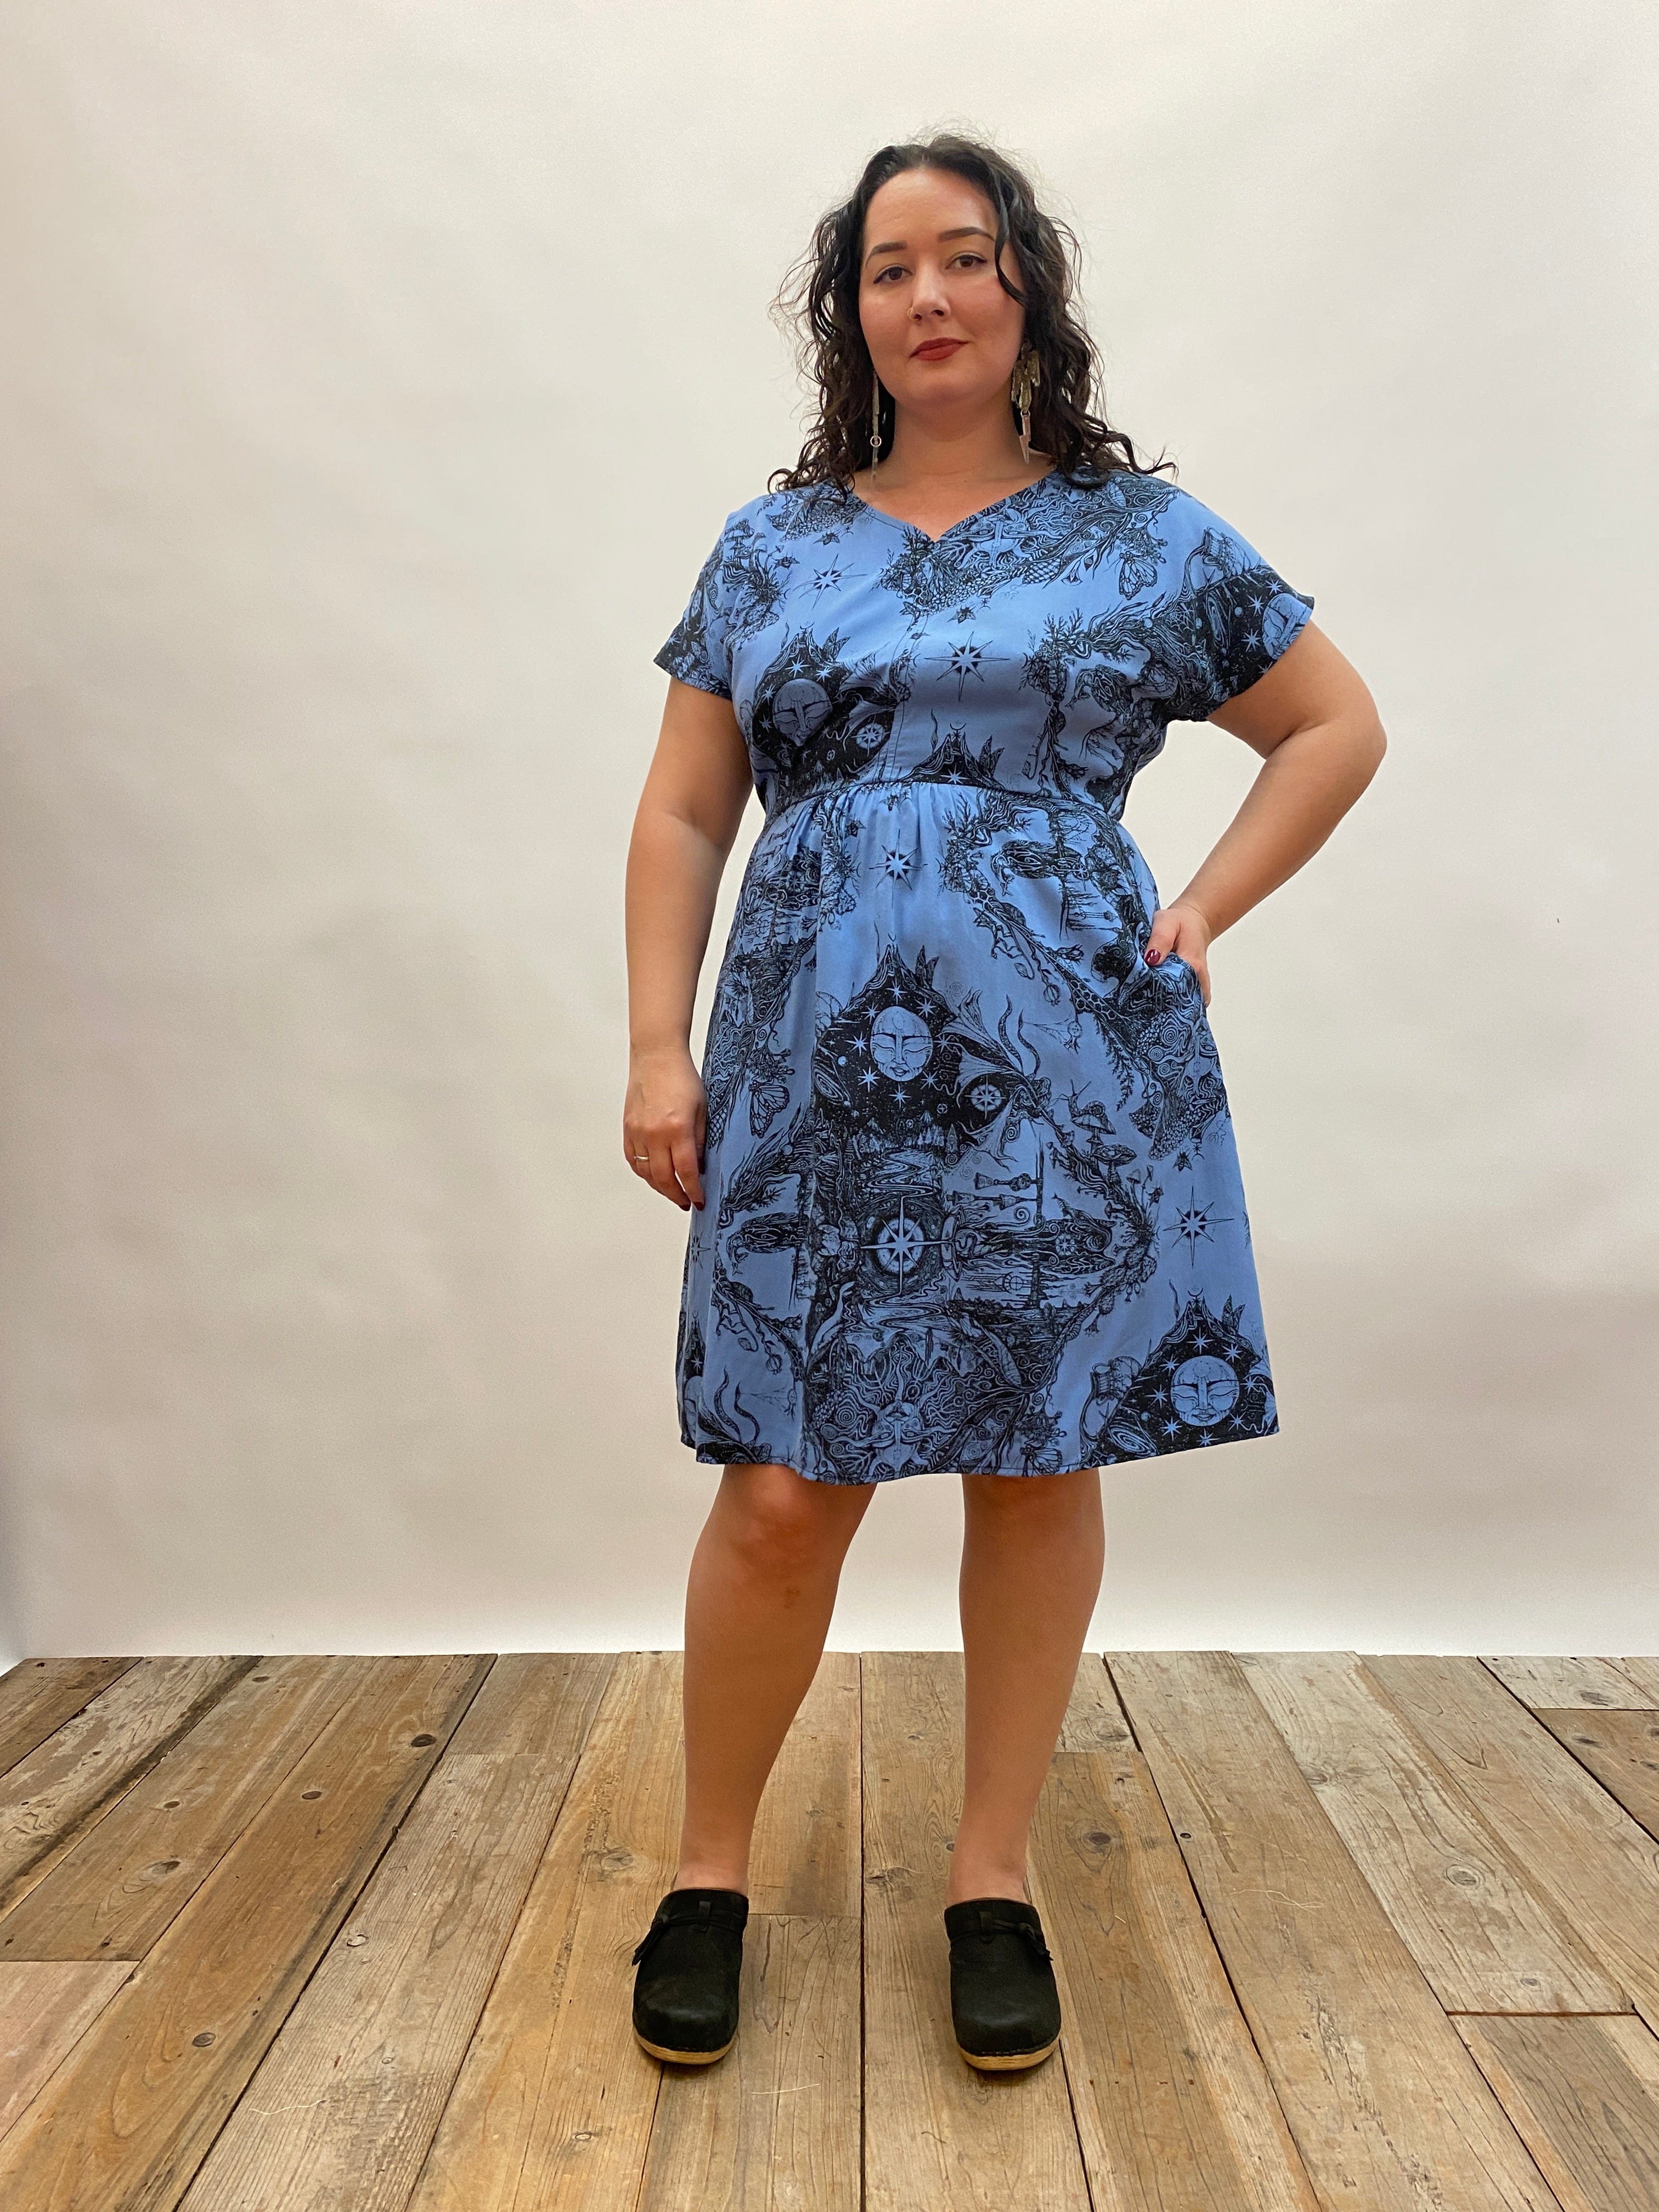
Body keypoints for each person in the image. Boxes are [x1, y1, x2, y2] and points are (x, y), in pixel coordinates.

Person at [621, 132, 1386, 2071]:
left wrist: (1204, 904)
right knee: (782, 1486)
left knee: (1037, 1462)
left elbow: (1332, 724)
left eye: (965, 257)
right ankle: (708, 1873)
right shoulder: (771, 548)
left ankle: (992, 1877)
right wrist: (654, 1045)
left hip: (1068, 1064)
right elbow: (687, 809)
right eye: (890, 269)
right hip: (809, 1063)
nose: (931, 297)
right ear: (851, 315)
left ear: (1027, 285)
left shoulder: (1146, 538)